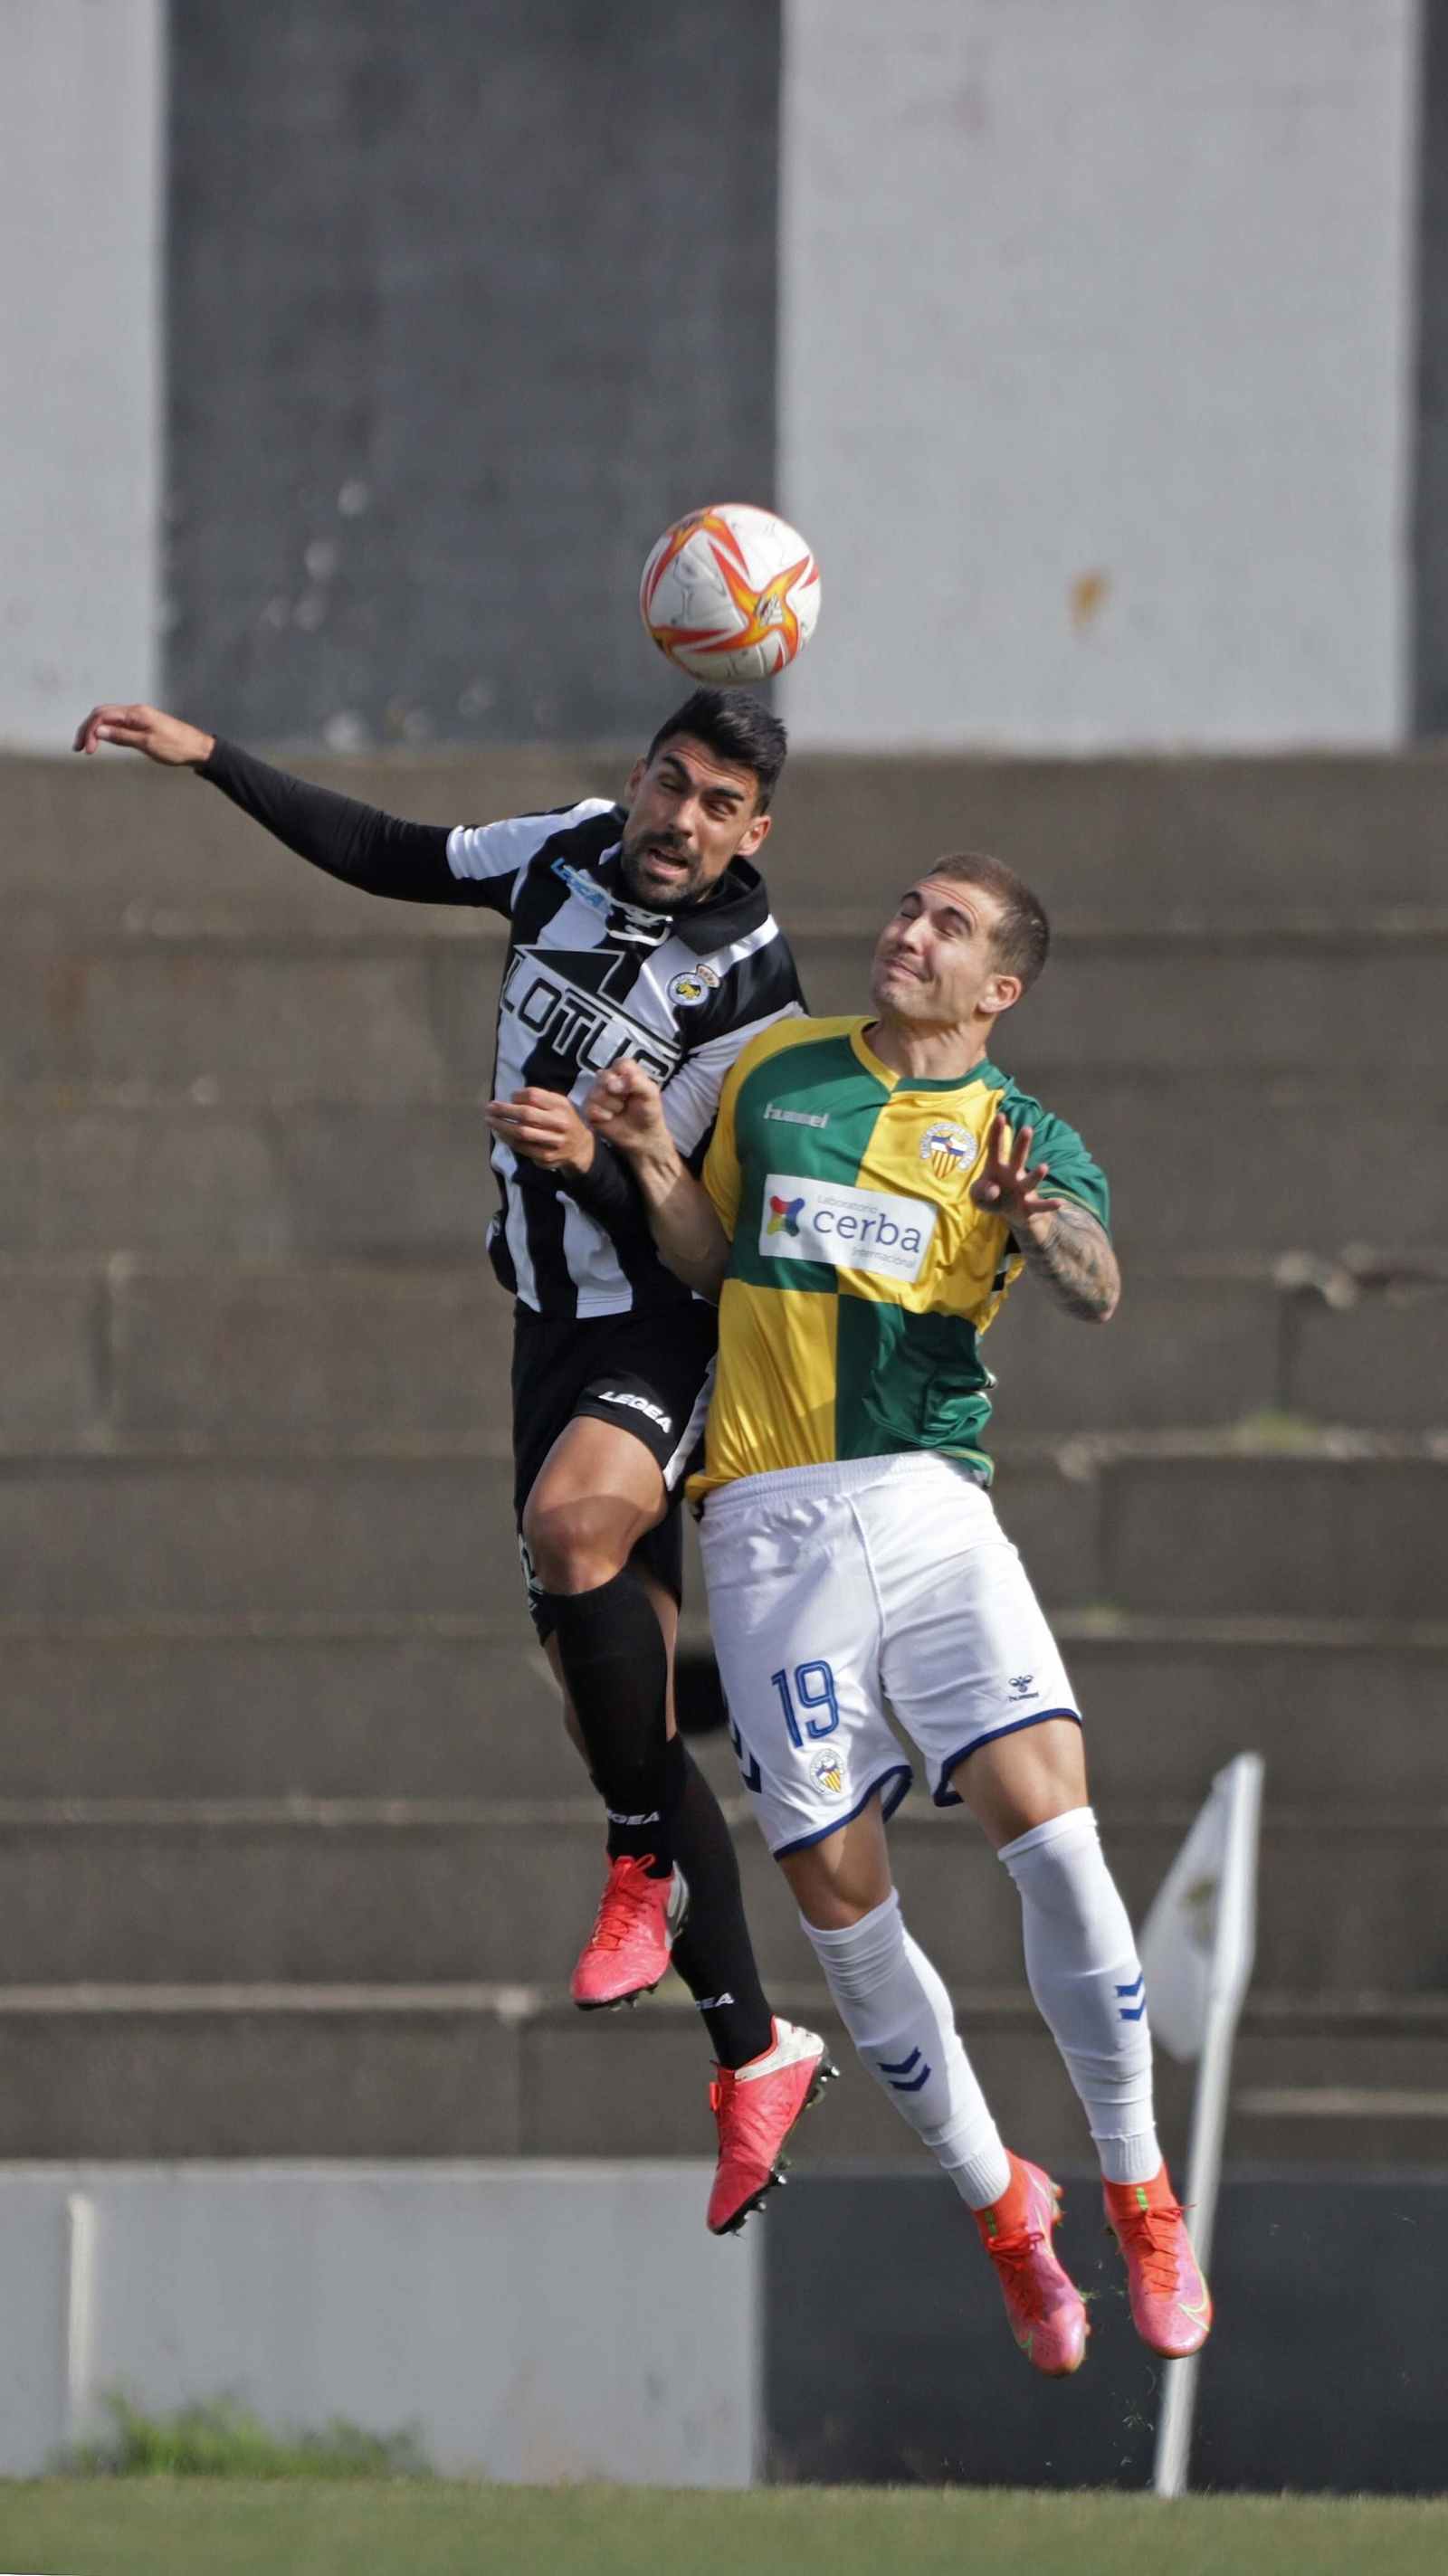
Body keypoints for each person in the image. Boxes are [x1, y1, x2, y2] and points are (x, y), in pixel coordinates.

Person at [72, 687, 834, 2233]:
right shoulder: (557, 852)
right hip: (544, 1328)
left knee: (577, 1538)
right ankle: (755, 2045)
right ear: (636, 778)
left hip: (659, 1327)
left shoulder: (752, 979)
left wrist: (613, 1161)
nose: (680, 820)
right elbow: (389, 852)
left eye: (717, 806)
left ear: (756, 833)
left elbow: (715, 1239)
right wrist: (212, 757)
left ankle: (640, 1869)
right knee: (606, 1709)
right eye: (668, 783)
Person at [586, 851, 1213, 2372]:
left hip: (928, 1505)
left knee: (1053, 1837)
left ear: (999, 989)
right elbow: (712, 1256)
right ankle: (1006, 2213)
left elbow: (1097, 1283)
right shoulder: (782, 1072)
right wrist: (652, 1162)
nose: (907, 932)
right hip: (764, 1527)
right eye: (908, 908)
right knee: (842, 1906)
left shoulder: (1025, 1134)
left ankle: (1139, 2191)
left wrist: (1035, 1218)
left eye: (949, 927)